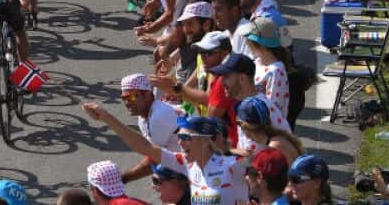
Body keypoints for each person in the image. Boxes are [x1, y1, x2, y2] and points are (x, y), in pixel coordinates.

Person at [81, 107, 247, 205]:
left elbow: (265, 160)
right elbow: (145, 147)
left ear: (208, 141)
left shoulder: (231, 165)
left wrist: (224, 150)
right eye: (179, 138)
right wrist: (107, 118)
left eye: (186, 138)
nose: (180, 143)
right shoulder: (187, 164)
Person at [207, 55, 291, 156]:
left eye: (226, 76)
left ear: (242, 78)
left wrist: (219, 150)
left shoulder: (251, 109)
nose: (222, 81)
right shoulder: (250, 103)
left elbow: (251, 155)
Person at [113, 74, 180, 184]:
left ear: (148, 95)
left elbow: (156, 157)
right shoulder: (143, 117)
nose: (127, 102)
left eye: (132, 96)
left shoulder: (159, 115)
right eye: (124, 97)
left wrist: (124, 178)